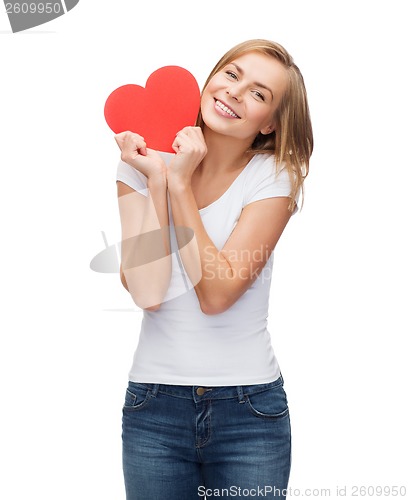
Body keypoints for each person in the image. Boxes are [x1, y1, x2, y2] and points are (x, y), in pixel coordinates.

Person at [114, 38, 313, 500]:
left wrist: (180, 184)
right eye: (232, 74)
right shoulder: (143, 163)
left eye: (260, 94)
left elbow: (218, 294)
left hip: (249, 414)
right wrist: (160, 179)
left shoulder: (273, 176)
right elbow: (147, 292)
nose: (235, 93)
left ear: (272, 123)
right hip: (153, 408)